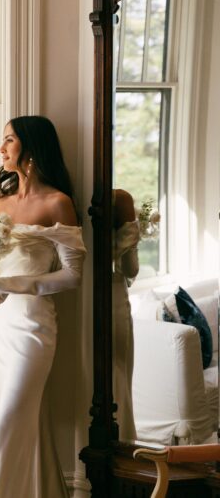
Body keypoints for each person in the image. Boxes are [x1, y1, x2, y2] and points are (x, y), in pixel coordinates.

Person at [0, 115, 86, 498]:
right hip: (1, 326)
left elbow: (73, 276)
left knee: (8, 423)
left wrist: (13, 284)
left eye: (9, 141)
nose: (1, 149)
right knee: (25, 423)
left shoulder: (57, 202)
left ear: (32, 147)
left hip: (34, 328)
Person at [112, 188, 140, 441]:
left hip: (67, 299)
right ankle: (122, 443)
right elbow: (131, 269)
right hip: (112, 299)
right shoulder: (120, 199)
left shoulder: (59, 197)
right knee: (118, 373)